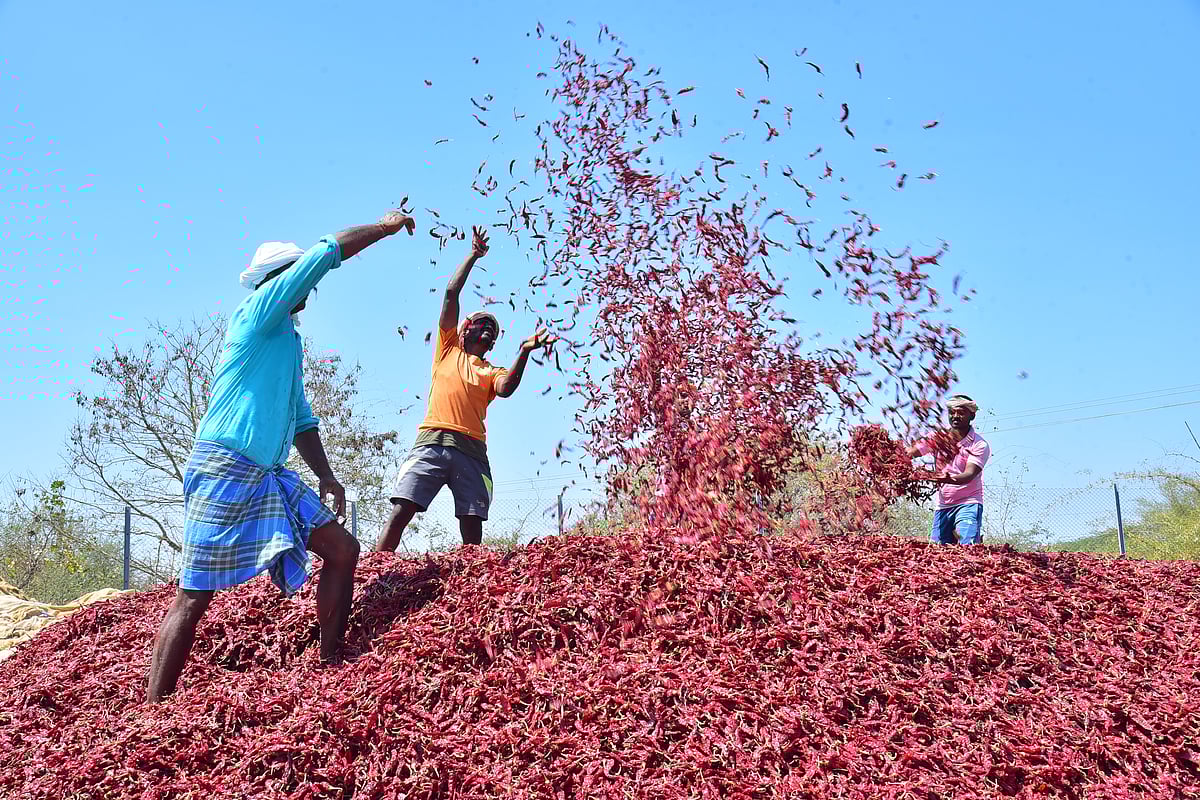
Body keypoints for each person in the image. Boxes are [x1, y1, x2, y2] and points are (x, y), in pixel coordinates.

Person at [146, 208, 416, 702]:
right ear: (275, 281)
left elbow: (302, 421)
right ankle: (152, 709)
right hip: (225, 466)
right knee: (194, 594)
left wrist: (328, 478)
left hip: (269, 474)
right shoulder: (257, 313)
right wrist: (384, 227)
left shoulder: (287, 342)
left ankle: (331, 662)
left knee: (343, 551)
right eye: (293, 279)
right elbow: (324, 253)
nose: (304, 289)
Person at [375, 225, 555, 551]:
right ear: (466, 330)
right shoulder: (447, 350)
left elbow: (506, 388)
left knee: (471, 526)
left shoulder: (491, 371)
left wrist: (524, 352)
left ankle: (471, 578)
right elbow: (450, 295)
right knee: (401, 510)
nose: (489, 330)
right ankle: (374, 573)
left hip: (472, 452)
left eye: (494, 330)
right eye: (483, 324)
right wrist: (473, 255)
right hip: (432, 442)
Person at [907, 394, 991, 546]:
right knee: (937, 551)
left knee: (967, 548)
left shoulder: (979, 445)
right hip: (943, 505)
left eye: (961, 412)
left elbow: (968, 475)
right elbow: (912, 452)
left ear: (971, 415)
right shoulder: (938, 439)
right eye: (952, 412)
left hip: (968, 503)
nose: (955, 416)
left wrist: (944, 478)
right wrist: (890, 457)